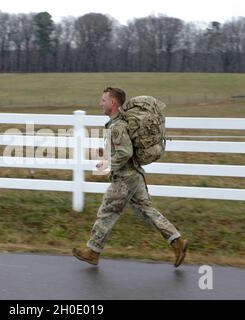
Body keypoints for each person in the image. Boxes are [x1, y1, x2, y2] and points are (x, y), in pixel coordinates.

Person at [72, 87, 188, 268]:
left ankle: (93, 252)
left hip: (125, 178)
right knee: (147, 210)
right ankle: (177, 241)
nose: (100, 103)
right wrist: (108, 152)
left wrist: (107, 163)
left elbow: (125, 152)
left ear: (113, 103)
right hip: (134, 175)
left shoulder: (117, 125)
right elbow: (125, 149)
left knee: (107, 212)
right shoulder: (119, 123)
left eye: (103, 100)